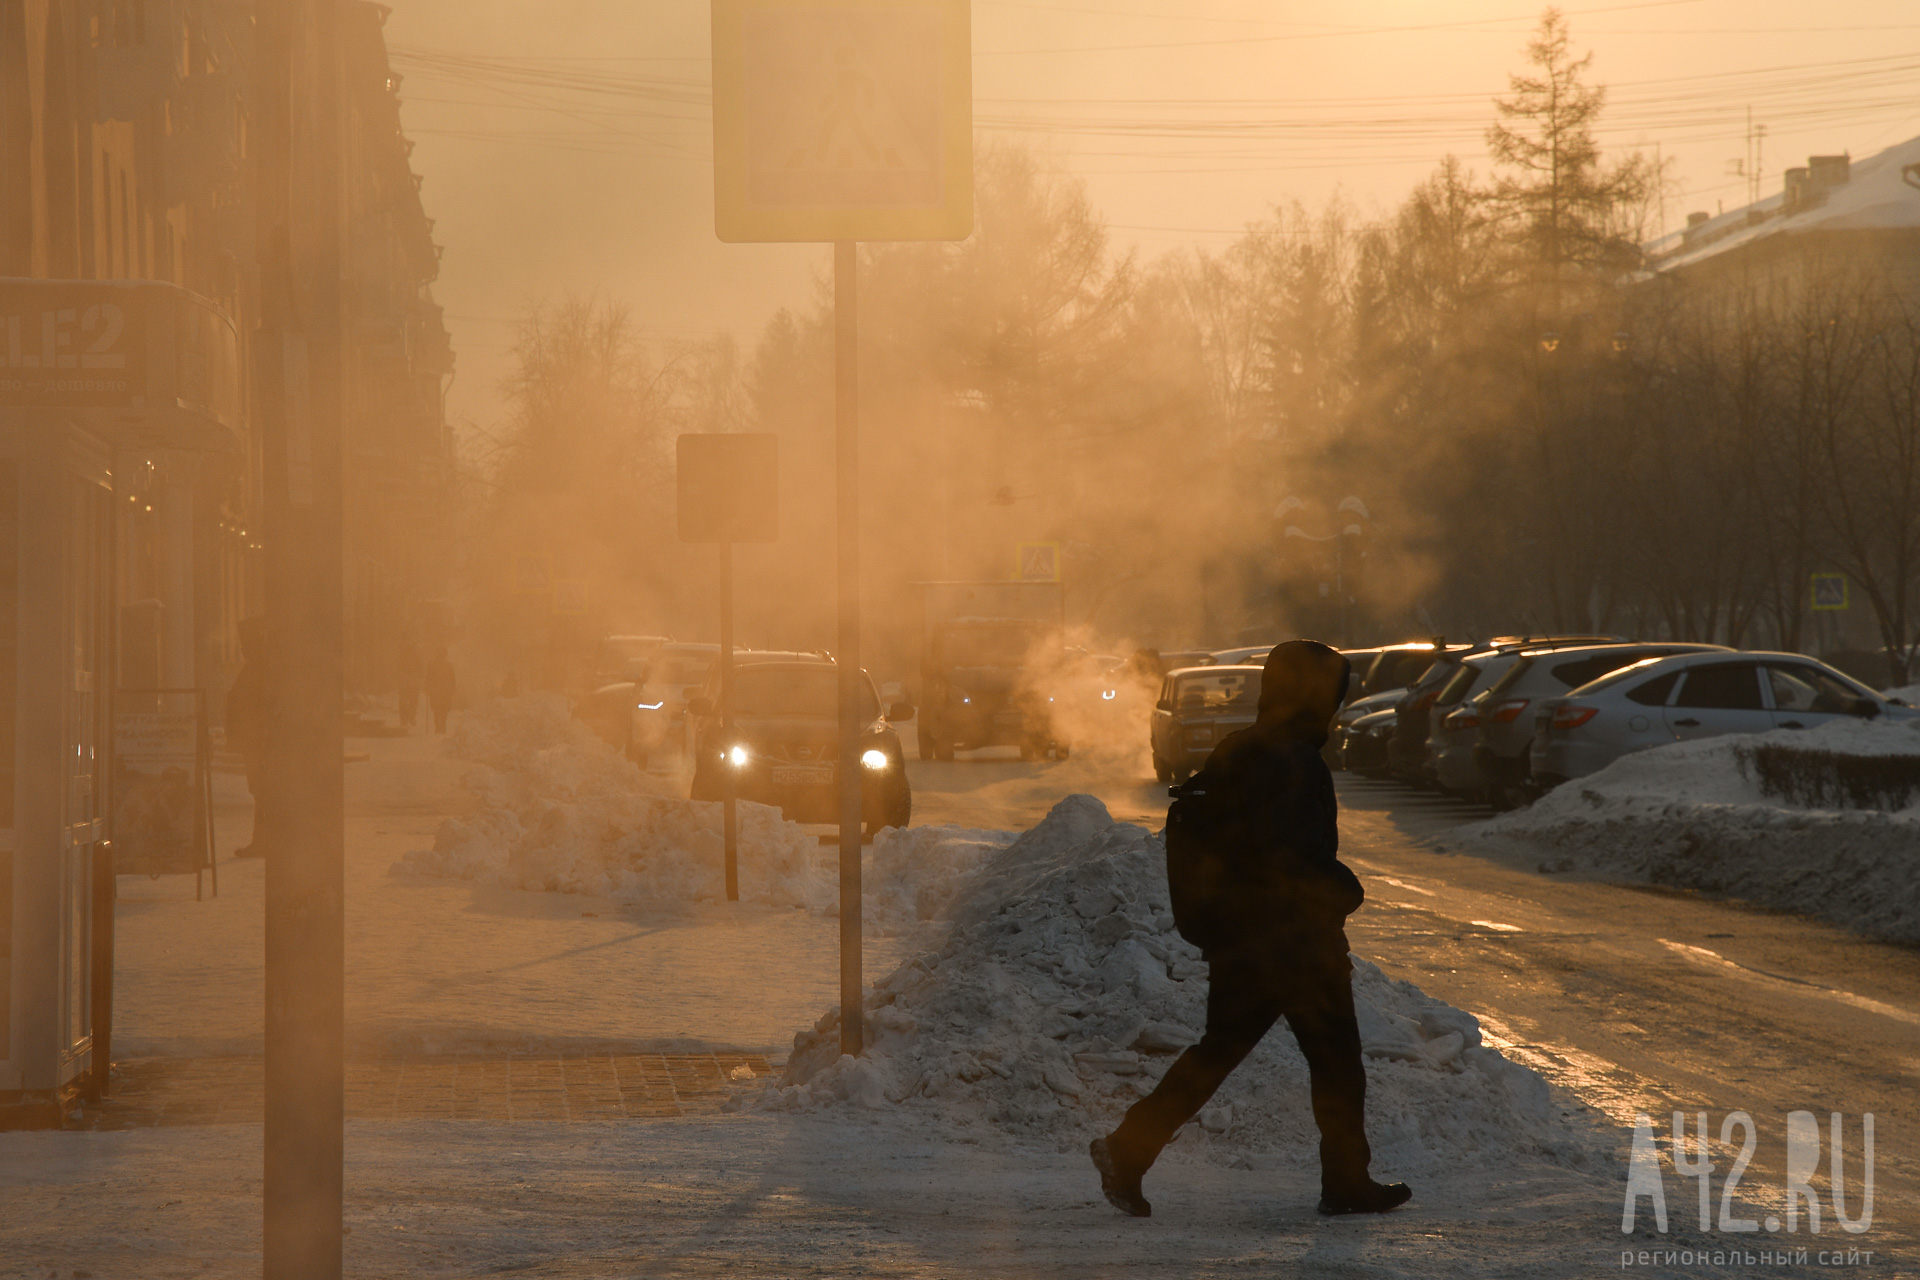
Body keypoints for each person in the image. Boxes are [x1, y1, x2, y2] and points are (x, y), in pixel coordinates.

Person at [1090, 639, 1411, 1218]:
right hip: (1295, 943)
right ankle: (1346, 1183)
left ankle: (1127, 1149)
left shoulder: (1238, 749)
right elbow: (1289, 857)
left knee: (1219, 1052)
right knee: (1337, 1064)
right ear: (1316, 696)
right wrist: (1345, 891)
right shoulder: (1294, 761)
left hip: (1240, 936)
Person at [226, 617, 271, 859]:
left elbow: (248, 708)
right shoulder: (257, 669)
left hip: (259, 744)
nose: (244, 650)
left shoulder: (259, 671)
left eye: (247, 644)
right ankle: (262, 840)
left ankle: (264, 841)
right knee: (262, 793)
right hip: (254, 743)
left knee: (264, 793)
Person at [424, 646, 456, 734]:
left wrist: (427, 687)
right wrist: (453, 689)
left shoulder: (432, 665)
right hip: (445, 691)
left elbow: (428, 678)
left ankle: (438, 726)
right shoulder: (448, 665)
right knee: (444, 708)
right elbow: (452, 679)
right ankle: (442, 725)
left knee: (436, 708)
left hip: (436, 691)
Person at [396, 639, 423, 731]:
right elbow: (421, 669)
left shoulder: (401, 657)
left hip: (404, 683)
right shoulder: (416, 657)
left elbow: (397, 669)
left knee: (403, 701)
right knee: (413, 700)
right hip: (413, 683)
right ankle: (411, 716)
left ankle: (404, 719)